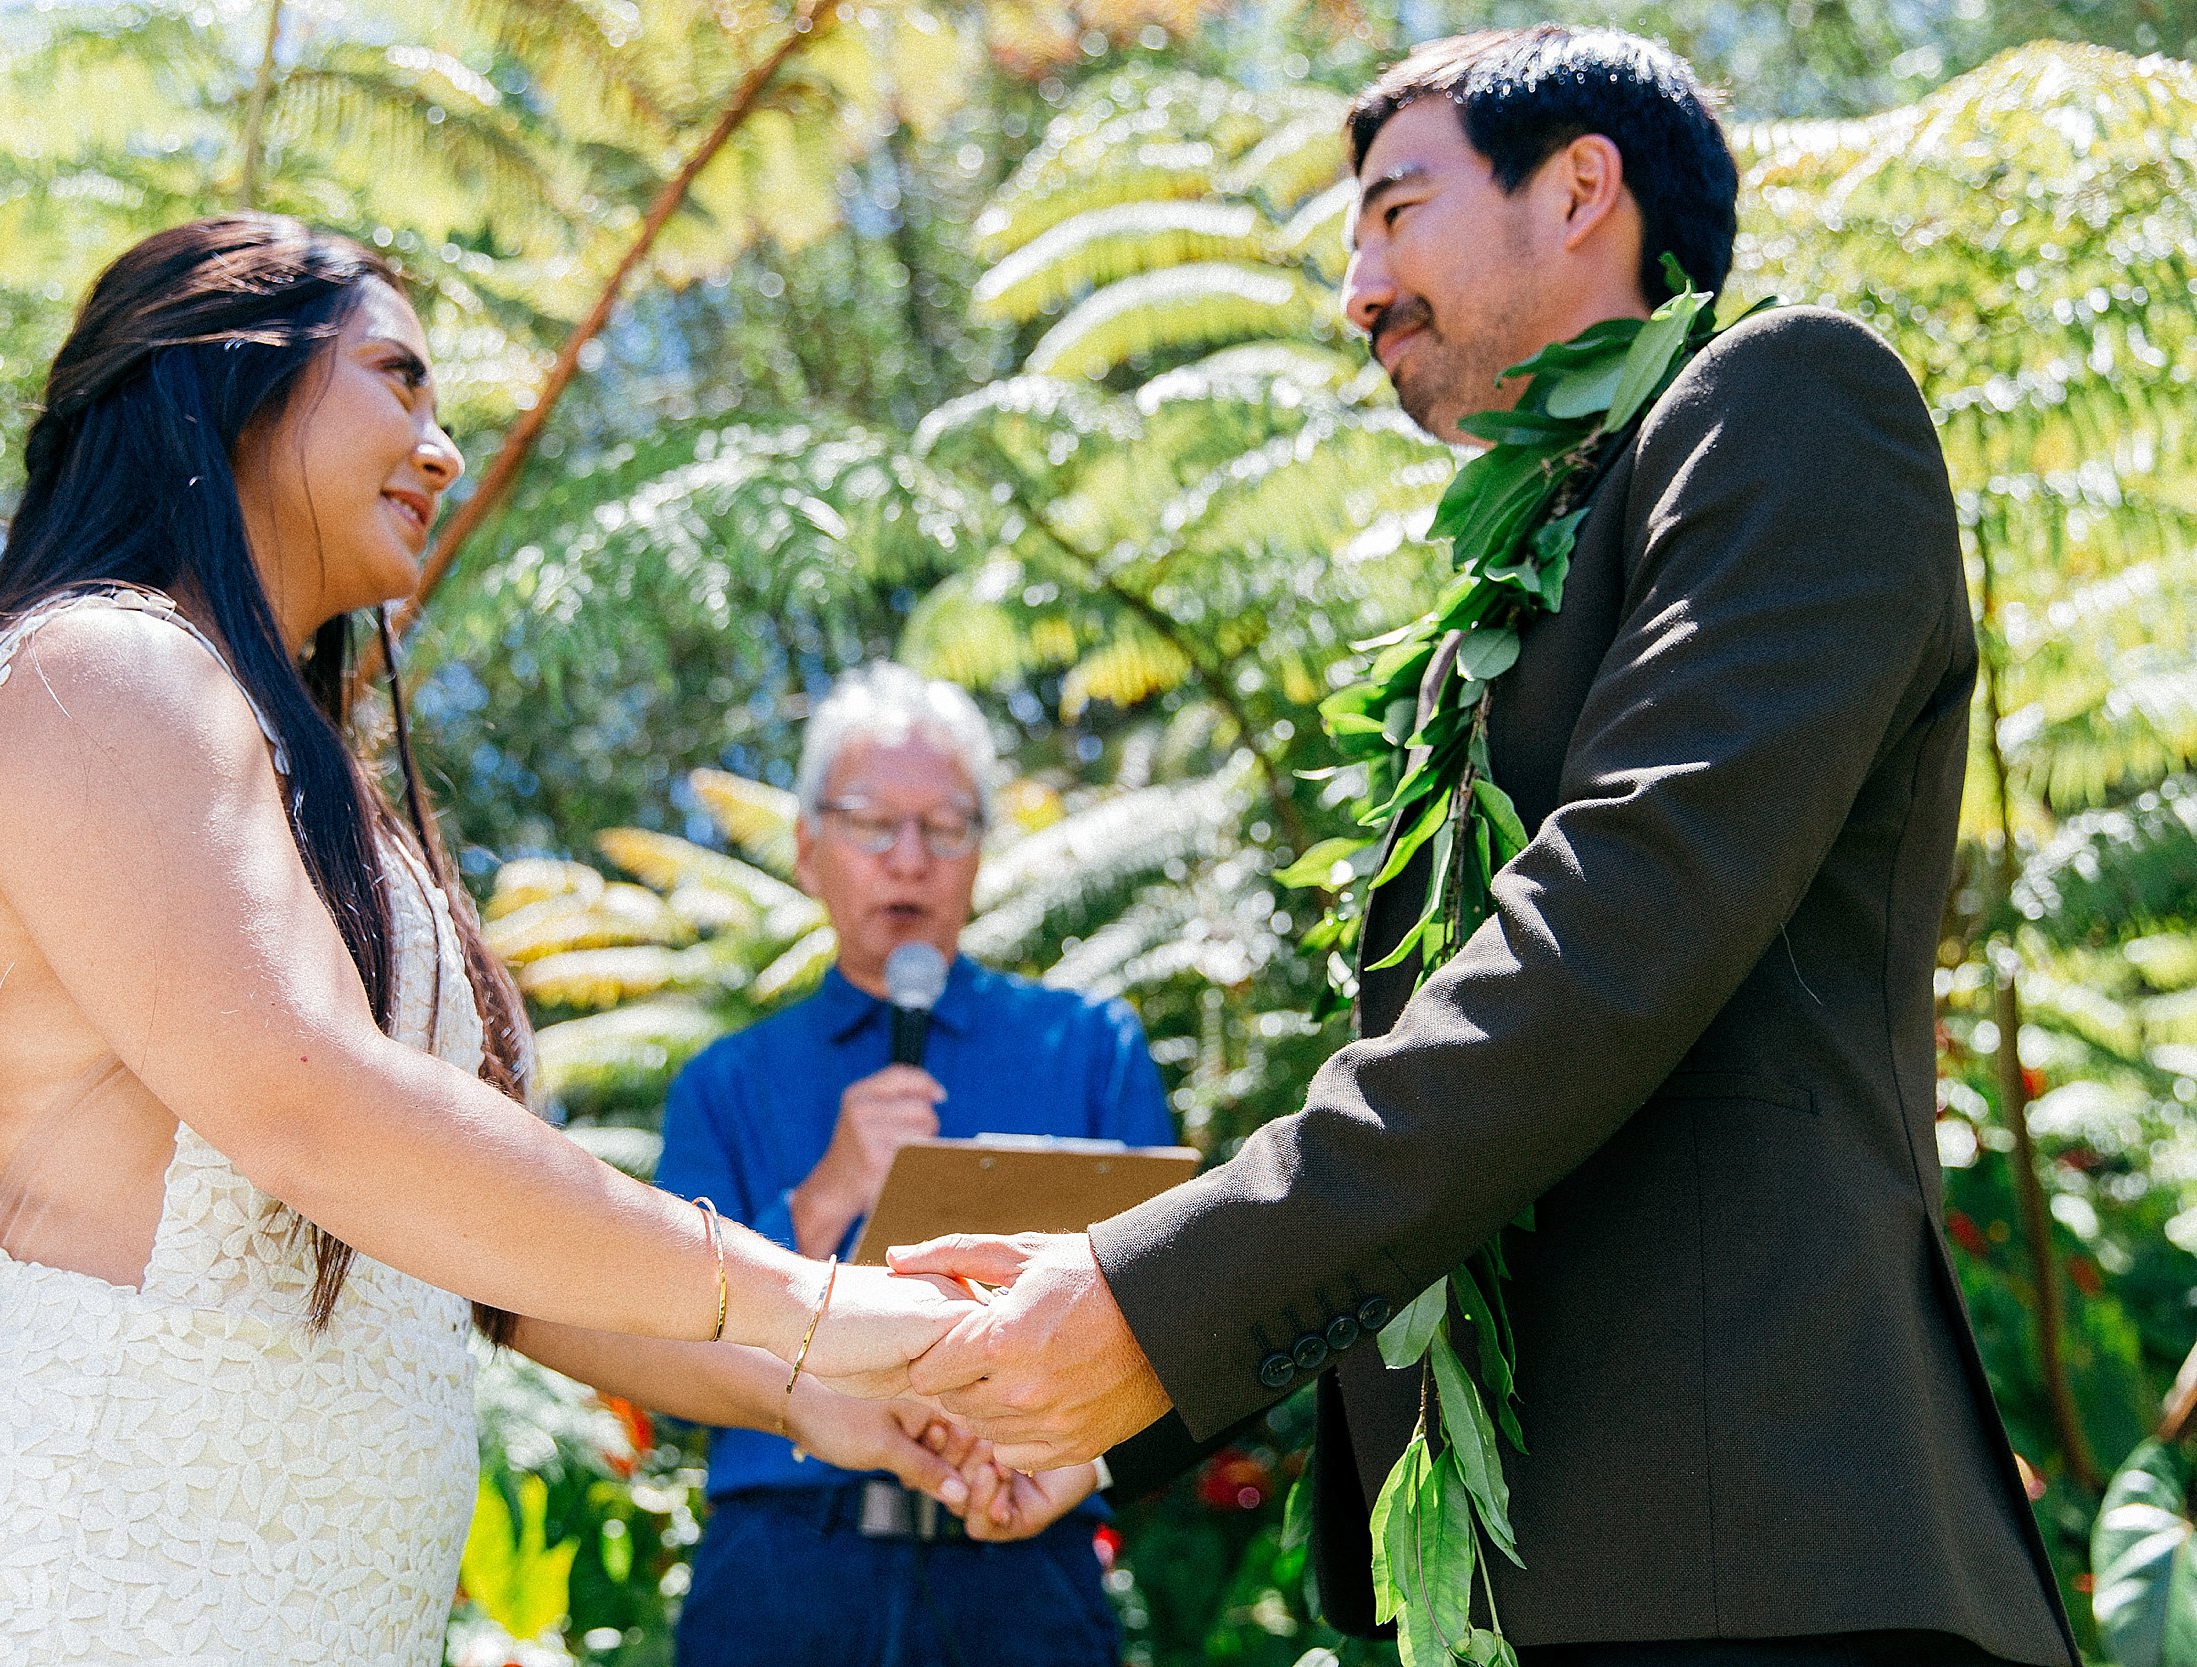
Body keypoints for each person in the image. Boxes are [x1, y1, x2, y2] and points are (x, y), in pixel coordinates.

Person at [885, 27, 2082, 1667]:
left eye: (1395, 210)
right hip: (1524, 1590)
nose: (1358, 288)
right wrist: (1102, 1388)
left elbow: (1599, 949)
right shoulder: (1495, 605)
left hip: (1771, 1566)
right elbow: (1447, 1091)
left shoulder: (1794, 405)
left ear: (1582, 185)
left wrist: (1151, 1307)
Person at [0, 214, 972, 1664]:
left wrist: (806, 1395)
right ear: (226, 371)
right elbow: (317, 1107)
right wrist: (809, 1301)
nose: (440, 448)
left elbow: (467, 1269)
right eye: (398, 380)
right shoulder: (98, 674)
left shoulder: (305, 774)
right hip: (85, 1606)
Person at [652, 662, 1173, 1667]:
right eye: (871, 823)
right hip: (782, 1571)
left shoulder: (1088, 1046)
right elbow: (662, 1338)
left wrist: (1077, 1463)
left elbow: (1165, 1303)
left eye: (944, 828)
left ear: (979, 854)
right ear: (807, 848)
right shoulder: (726, 1081)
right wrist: (830, 1186)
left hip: (1025, 1558)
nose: (909, 858)